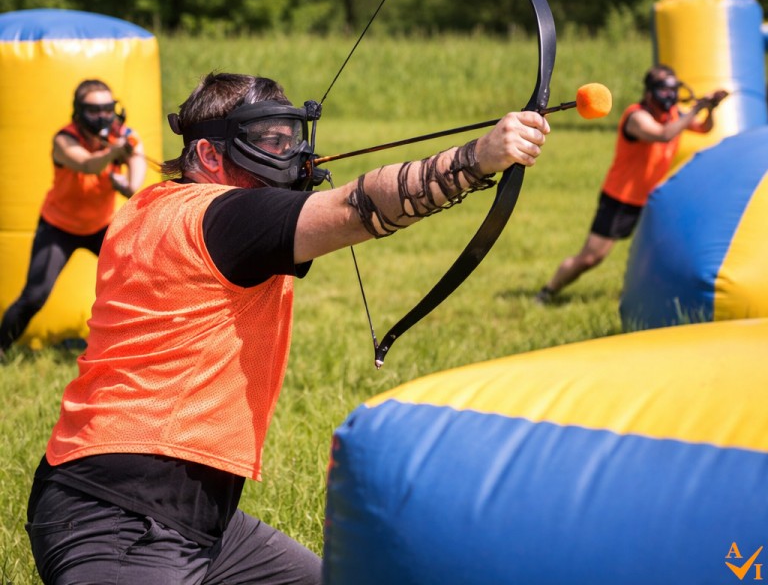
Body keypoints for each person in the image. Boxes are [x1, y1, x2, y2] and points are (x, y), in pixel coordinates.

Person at [24, 71, 550, 585]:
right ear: (209, 154)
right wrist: (482, 157)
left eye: (290, 139)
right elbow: (354, 207)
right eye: (268, 142)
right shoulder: (217, 216)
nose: (290, 156)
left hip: (199, 523)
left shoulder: (151, 207)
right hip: (117, 518)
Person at [535, 64, 727, 304]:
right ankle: (548, 291)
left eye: (672, 90)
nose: (670, 96)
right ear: (650, 92)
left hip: (651, 200)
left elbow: (704, 128)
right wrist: (696, 108)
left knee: (664, 250)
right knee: (590, 258)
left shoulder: (675, 115)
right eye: (664, 90)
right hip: (620, 199)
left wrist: (709, 109)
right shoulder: (636, 117)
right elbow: (664, 134)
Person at [0, 79, 146, 357]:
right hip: (59, 227)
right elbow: (86, 164)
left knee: (136, 281)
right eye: (94, 110)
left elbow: (136, 169)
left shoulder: (124, 135)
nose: (102, 116)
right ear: (78, 112)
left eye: (107, 109)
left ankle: (130, 349)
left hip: (102, 226)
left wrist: (127, 185)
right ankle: (1, 348)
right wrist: (114, 153)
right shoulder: (64, 140)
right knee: (34, 296)